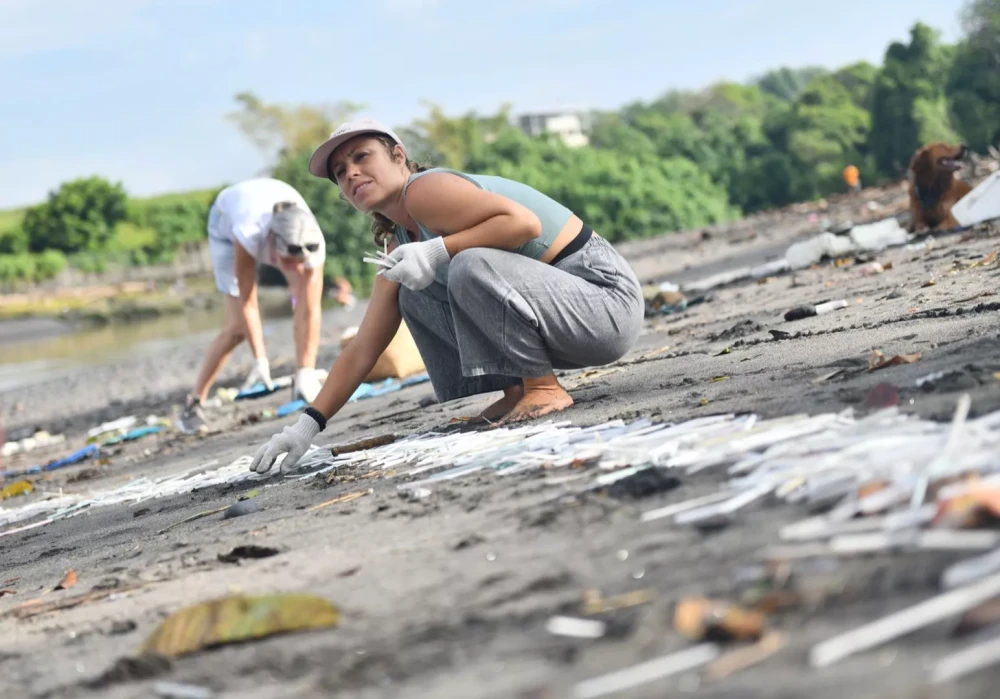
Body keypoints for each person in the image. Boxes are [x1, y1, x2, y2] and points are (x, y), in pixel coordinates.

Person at [248, 118, 644, 474]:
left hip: (604, 303)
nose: (351, 172)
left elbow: (523, 224)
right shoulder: (398, 241)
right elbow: (364, 346)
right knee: (412, 295)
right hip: (567, 314)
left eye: (361, 157)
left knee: (470, 264)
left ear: (398, 155)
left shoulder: (425, 189)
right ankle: (517, 390)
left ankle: (543, 388)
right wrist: (306, 425)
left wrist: (439, 251)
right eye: (340, 172)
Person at [178, 177, 328, 434]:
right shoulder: (248, 234)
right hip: (225, 218)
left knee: (304, 297)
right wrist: (260, 359)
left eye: (300, 261)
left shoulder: (315, 245)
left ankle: (302, 377)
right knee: (237, 328)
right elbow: (248, 300)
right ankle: (193, 404)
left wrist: (307, 369)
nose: (295, 269)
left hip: (279, 209)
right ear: (271, 246)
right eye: (287, 262)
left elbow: (311, 309)